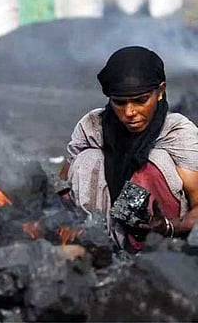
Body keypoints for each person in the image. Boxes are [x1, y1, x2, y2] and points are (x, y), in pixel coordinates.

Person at [59, 46, 198, 252]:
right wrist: (66, 221)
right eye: (120, 103)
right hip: (102, 229)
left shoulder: (177, 132)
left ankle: (138, 245)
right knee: (87, 158)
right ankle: (97, 242)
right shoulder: (93, 126)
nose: (130, 112)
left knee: (152, 160)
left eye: (141, 101)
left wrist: (169, 227)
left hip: (162, 236)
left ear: (160, 92)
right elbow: (63, 184)